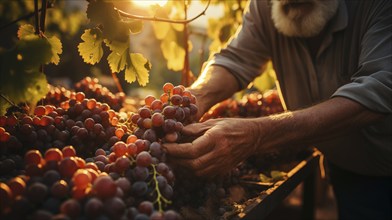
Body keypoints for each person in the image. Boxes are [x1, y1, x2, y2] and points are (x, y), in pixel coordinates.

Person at [163, 0, 392, 219]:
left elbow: (382, 87)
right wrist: (196, 97)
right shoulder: (265, 5)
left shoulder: (378, 5)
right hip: (346, 168)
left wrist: (258, 134)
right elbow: (237, 59)